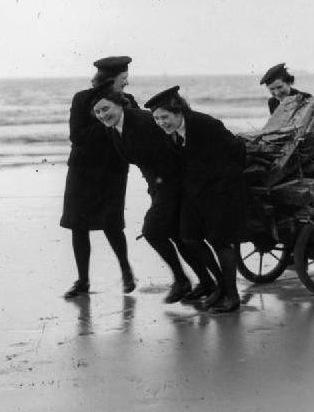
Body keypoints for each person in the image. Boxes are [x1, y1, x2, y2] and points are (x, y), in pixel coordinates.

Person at [88, 81, 219, 304]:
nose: (102, 115)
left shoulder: (143, 121)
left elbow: (173, 149)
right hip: (158, 185)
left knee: (153, 231)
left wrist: (169, 187)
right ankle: (205, 283)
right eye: (98, 112)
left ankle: (185, 280)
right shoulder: (114, 129)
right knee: (178, 236)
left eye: (106, 109)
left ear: (119, 104)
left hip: (175, 182)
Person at [145, 86, 247, 313]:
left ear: (178, 111)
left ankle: (232, 296)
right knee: (189, 237)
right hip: (195, 192)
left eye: (165, 117)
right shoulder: (171, 134)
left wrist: (224, 181)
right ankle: (220, 285)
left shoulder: (204, 124)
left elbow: (237, 149)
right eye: (157, 119)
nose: (162, 122)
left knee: (220, 242)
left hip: (221, 191)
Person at [59, 56, 137, 299]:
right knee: (78, 225)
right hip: (83, 171)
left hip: (113, 170)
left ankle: (126, 271)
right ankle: (82, 281)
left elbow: (135, 134)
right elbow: (77, 136)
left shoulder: (129, 101)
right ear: (111, 79)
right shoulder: (82, 99)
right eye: (123, 79)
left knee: (113, 224)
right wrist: (108, 119)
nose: (126, 83)